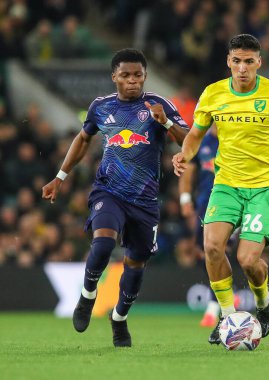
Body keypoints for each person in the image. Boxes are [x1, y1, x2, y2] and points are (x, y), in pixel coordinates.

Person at [42, 48, 189, 347]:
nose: (132, 81)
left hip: (145, 201)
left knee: (135, 265)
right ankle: (87, 296)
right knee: (104, 241)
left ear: (145, 76)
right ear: (114, 77)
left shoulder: (159, 105)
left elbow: (190, 141)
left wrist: (166, 123)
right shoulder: (100, 106)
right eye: (125, 75)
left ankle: (119, 319)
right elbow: (84, 138)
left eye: (137, 75)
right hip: (108, 191)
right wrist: (60, 177)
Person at [173, 34, 269, 344]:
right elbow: (195, 134)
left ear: (259, 62)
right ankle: (227, 316)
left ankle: (263, 301)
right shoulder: (213, 94)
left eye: (249, 61)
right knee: (211, 247)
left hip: (265, 186)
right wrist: (185, 154)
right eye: (237, 61)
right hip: (227, 184)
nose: (243, 68)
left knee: (248, 260)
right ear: (228, 62)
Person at [178, 123, 221, 327]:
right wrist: (185, 198)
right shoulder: (202, 141)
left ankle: (214, 307)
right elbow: (189, 170)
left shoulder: (236, 138)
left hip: (232, 204)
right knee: (204, 253)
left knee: (220, 249)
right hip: (205, 206)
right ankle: (225, 294)